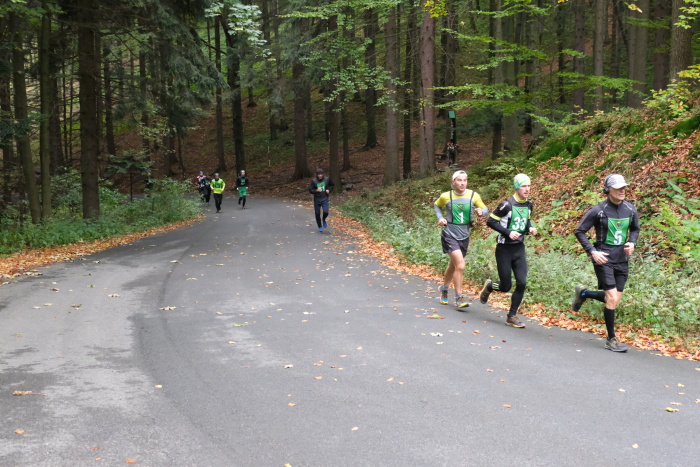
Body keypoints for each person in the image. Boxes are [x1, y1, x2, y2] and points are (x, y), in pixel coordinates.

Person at [571, 174, 640, 353]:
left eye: (624, 187)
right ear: (608, 190)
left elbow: (635, 229)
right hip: (604, 259)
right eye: (618, 188)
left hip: (622, 260)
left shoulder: (630, 209)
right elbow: (579, 231)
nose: (622, 191)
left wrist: (632, 242)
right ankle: (611, 339)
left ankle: (584, 293)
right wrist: (592, 251)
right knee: (611, 298)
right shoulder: (598, 210)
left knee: (614, 300)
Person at [479, 174, 537, 328]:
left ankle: (511, 316)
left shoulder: (529, 204)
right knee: (505, 286)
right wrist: (508, 232)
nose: (527, 189)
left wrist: (530, 228)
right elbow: (491, 221)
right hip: (504, 249)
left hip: (519, 249)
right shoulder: (506, 204)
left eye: (529, 186)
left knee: (522, 283)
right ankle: (490, 286)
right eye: (524, 186)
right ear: (517, 187)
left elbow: (525, 221)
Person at [434, 170, 488, 308]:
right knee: (461, 265)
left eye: (465, 180)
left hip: (464, 235)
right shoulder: (446, 196)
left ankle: (444, 288)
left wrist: (481, 212)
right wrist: (440, 218)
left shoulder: (473, 195)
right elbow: (437, 205)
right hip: (449, 234)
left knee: (453, 266)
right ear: (453, 182)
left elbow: (485, 209)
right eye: (459, 180)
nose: (462, 183)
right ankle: (459, 297)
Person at [309, 168, 335, 232]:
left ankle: (323, 219)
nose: (320, 175)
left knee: (326, 212)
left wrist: (329, 190)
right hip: (317, 199)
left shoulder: (327, 179)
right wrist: (316, 190)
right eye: (319, 174)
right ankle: (320, 226)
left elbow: (332, 185)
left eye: (321, 174)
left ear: (323, 174)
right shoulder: (314, 181)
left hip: (324, 198)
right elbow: (310, 190)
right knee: (317, 213)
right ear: (317, 175)